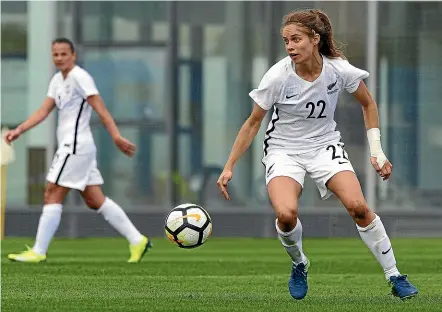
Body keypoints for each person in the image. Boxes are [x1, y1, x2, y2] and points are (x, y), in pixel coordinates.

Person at [216, 9, 418, 300]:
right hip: (284, 151)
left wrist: (377, 152)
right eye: (286, 40)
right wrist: (229, 166)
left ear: (315, 39)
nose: (290, 46)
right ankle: (300, 263)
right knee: (286, 215)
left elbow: (368, 104)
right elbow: (253, 123)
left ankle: (395, 276)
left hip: (325, 146)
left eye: (296, 39)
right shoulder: (277, 76)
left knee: (359, 208)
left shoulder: (339, 69)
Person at [6, 37, 152, 263]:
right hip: (77, 147)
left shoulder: (80, 77)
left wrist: (116, 136)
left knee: (52, 191)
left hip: (75, 146)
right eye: (55, 54)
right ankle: (137, 240)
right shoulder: (57, 80)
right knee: (95, 200)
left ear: (73, 55)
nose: (59, 58)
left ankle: (38, 251)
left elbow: (101, 110)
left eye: (64, 54)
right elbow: (44, 111)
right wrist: (19, 130)